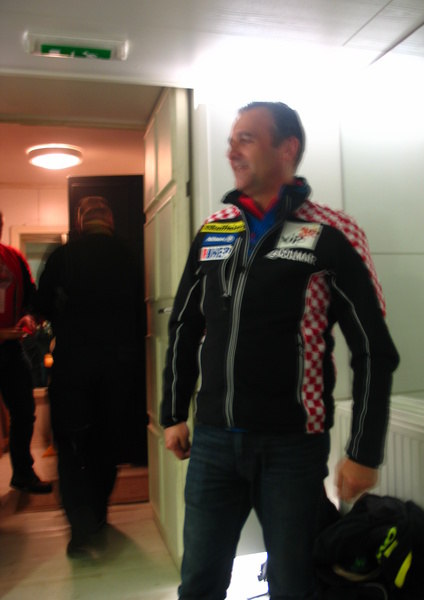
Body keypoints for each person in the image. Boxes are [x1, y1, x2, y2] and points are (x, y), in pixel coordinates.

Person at [160, 101, 400, 599]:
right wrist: (173, 413)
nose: (232, 150)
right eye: (231, 140)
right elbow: (184, 324)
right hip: (212, 443)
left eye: (246, 139)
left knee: (293, 586)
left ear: (287, 148)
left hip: (292, 448)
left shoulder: (333, 232)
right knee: (199, 582)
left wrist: (364, 450)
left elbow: (373, 347)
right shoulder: (216, 229)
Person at [36, 196, 142, 558]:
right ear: (109, 220)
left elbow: (40, 306)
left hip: (73, 365)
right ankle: (98, 513)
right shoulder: (128, 256)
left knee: (72, 445)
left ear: (81, 222)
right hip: (118, 367)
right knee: (106, 443)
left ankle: (79, 526)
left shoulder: (63, 256)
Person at [0, 210, 53, 494]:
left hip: (11, 347)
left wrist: (29, 317)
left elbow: (32, 299)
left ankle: (22, 473)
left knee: (24, 410)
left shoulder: (15, 258)